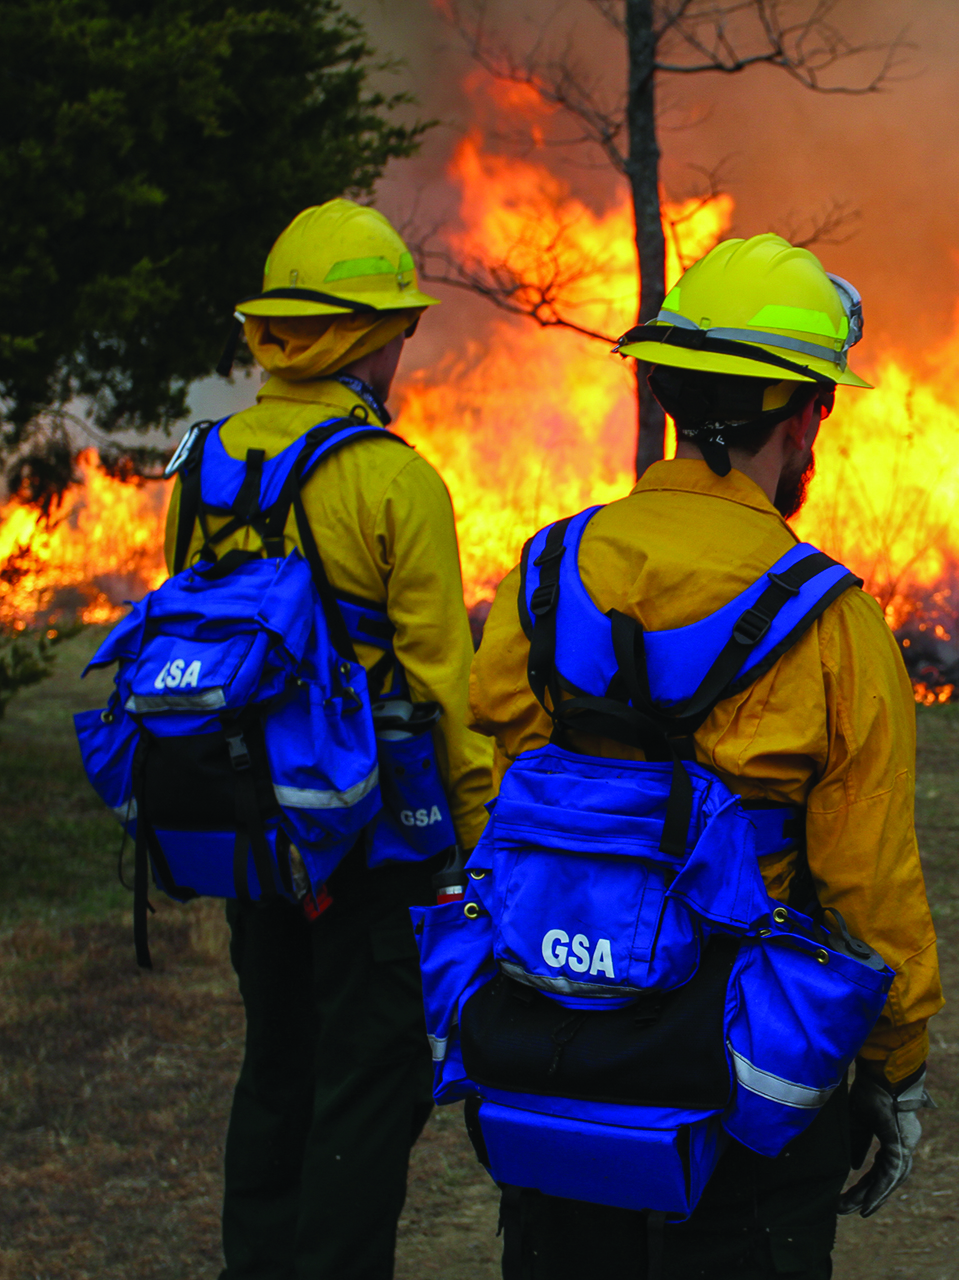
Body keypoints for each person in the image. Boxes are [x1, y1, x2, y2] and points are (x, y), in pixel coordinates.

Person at [467, 233, 944, 1278]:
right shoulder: (830, 622)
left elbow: (493, 788)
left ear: (678, 399)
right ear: (806, 412)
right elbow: (869, 882)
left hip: (553, 1037)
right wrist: (893, 1063)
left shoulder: (546, 577)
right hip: (743, 1073)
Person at [165, 198, 495, 1279]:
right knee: (372, 1074)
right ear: (362, 335)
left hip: (247, 824)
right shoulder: (393, 479)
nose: (404, 348)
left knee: (277, 1057)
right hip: (365, 842)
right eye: (398, 328)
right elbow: (444, 685)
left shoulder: (205, 461)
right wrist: (480, 848)